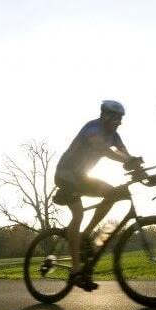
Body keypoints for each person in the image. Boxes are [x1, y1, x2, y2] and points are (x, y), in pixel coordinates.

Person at [53, 100, 143, 291]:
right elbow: (103, 149)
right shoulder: (92, 128)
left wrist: (140, 169)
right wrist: (127, 161)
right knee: (78, 214)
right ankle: (75, 271)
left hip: (82, 177)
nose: (118, 122)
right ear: (104, 115)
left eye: (121, 119)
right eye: (115, 117)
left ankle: (85, 236)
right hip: (66, 174)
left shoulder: (115, 136)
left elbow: (126, 154)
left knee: (111, 193)